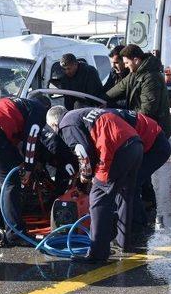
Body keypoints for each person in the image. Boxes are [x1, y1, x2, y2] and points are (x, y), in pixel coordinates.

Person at [49, 105, 143, 262]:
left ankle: (97, 254)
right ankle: (123, 243)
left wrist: (85, 176)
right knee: (124, 195)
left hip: (115, 149)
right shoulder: (80, 114)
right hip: (135, 144)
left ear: (54, 125)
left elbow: (81, 150)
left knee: (98, 199)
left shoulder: (66, 124)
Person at [0, 95, 50, 246]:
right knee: (11, 181)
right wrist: (28, 167)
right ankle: (15, 232)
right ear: (46, 108)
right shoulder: (38, 110)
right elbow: (31, 139)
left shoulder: (17, 102)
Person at [105, 44, 171, 137]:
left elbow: (147, 111)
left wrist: (125, 119)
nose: (126, 66)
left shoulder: (151, 78)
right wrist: (101, 99)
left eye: (127, 63)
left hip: (156, 131)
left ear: (136, 60)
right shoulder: (134, 73)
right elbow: (118, 89)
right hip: (143, 128)